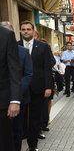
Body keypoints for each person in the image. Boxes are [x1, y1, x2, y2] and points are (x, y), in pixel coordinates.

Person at [18, 20, 53, 151]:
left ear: (33, 31)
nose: (26, 31)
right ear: (20, 31)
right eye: (23, 29)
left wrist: (48, 87)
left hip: (38, 88)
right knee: (19, 117)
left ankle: (33, 144)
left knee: (35, 117)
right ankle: (18, 141)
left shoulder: (43, 46)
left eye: (28, 29)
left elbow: (47, 68)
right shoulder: (15, 45)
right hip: (20, 88)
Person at [1, 21, 33, 151]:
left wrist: (15, 97)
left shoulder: (22, 51)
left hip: (10, 99)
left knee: (13, 133)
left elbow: (20, 73)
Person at [0, 26, 22, 151]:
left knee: (4, 143)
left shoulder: (6, 35)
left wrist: (14, 100)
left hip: (2, 104)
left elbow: (14, 70)